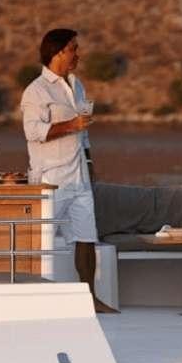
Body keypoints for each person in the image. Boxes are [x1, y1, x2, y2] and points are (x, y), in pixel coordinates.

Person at [20, 28, 117, 313]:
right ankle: (33, 302)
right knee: (40, 239)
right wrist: (70, 126)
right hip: (52, 178)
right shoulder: (36, 90)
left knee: (86, 238)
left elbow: (83, 134)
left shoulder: (77, 85)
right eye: (74, 48)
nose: (78, 54)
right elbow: (32, 131)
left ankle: (91, 299)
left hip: (80, 177)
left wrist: (90, 164)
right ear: (58, 52)